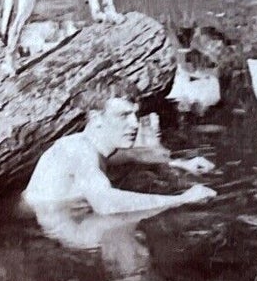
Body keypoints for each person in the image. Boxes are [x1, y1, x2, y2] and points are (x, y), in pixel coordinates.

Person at [22, 90, 216, 216]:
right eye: (123, 115)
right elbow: (106, 204)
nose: (134, 124)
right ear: (96, 118)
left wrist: (181, 163)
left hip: (56, 214)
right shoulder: (79, 150)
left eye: (135, 115)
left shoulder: (91, 146)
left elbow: (132, 155)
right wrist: (182, 199)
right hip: (40, 221)